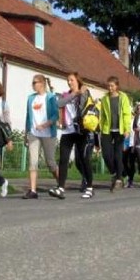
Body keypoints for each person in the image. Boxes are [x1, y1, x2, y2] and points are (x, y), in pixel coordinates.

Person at [50, 72, 94, 200]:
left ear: (78, 81)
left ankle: (90, 187)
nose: (69, 82)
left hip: (81, 131)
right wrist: (74, 94)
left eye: (72, 80)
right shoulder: (66, 95)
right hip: (67, 131)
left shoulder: (85, 93)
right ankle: (60, 188)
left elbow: (84, 106)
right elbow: (59, 104)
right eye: (68, 80)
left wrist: (81, 91)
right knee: (63, 159)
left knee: (84, 159)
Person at [22, 73, 59, 199]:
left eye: (35, 82)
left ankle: (60, 184)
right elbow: (28, 116)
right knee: (33, 161)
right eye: (32, 83)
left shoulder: (50, 97)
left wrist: (45, 125)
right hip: (33, 133)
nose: (33, 85)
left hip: (48, 133)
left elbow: (55, 115)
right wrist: (26, 132)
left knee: (50, 162)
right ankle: (32, 190)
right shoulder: (31, 98)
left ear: (42, 84)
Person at [98, 76, 133, 192]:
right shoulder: (104, 99)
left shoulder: (123, 98)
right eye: (108, 86)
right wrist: (101, 127)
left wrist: (127, 129)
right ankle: (114, 172)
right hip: (107, 130)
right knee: (106, 154)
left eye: (112, 85)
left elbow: (127, 114)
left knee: (118, 155)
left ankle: (119, 179)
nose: (110, 88)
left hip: (120, 130)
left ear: (117, 86)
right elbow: (102, 115)